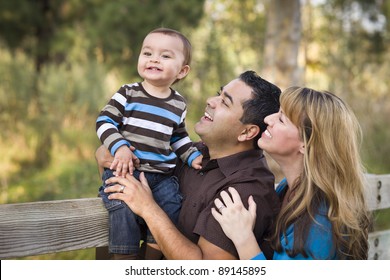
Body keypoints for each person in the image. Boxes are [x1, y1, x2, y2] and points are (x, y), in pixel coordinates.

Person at [97, 70, 282, 259]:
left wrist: (149, 209)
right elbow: (118, 186)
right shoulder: (192, 154)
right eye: (219, 94)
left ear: (247, 132)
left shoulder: (248, 190)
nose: (211, 100)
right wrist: (110, 152)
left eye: (225, 102)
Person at [212, 87, 371, 260]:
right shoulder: (287, 188)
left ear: (306, 144)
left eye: (281, 119)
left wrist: (243, 237)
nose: (267, 119)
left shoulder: (319, 220)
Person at [96, 27, 202, 260]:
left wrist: (192, 156)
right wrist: (120, 147)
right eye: (147, 53)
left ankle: (152, 259)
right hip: (127, 171)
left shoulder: (178, 104)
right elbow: (104, 121)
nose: (154, 59)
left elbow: (178, 137)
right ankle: (125, 258)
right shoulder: (128, 93)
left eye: (165, 56)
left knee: (171, 205)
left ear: (182, 71)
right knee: (121, 208)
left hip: (162, 176)